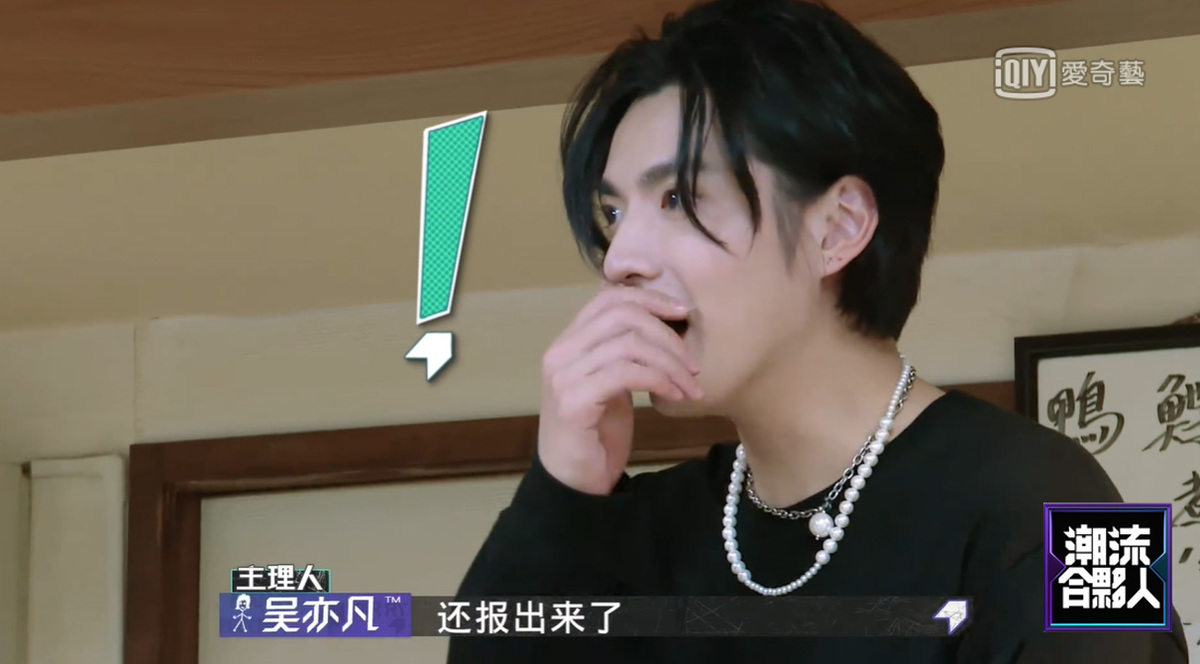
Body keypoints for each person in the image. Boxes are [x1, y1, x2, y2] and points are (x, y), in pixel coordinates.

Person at [447, 0, 1191, 661]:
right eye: (614, 213)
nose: (621, 261)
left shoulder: (1074, 516)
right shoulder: (635, 534)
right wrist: (562, 492)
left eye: (676, 197)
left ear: (838, 228)